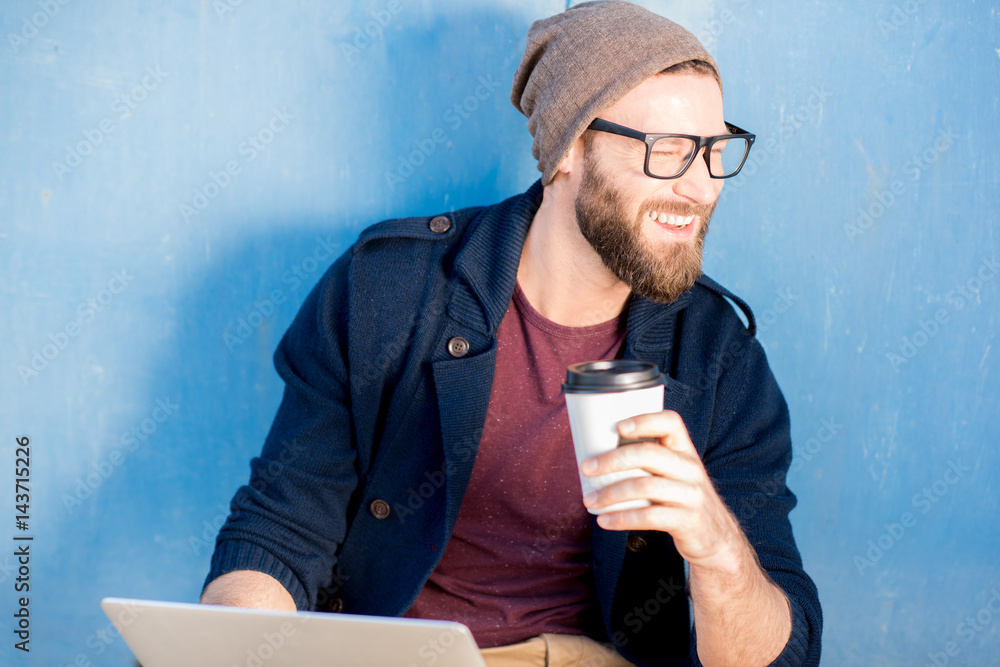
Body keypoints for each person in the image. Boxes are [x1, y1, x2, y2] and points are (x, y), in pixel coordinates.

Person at [200, 1, 822, 665]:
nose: (700, 187)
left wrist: (716, 544)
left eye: (713, 150)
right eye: (667, 151)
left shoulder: (718, 356)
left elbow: (776, 656)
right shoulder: (389, 292)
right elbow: (280, 530)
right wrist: (236, 648)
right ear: (567, 152)